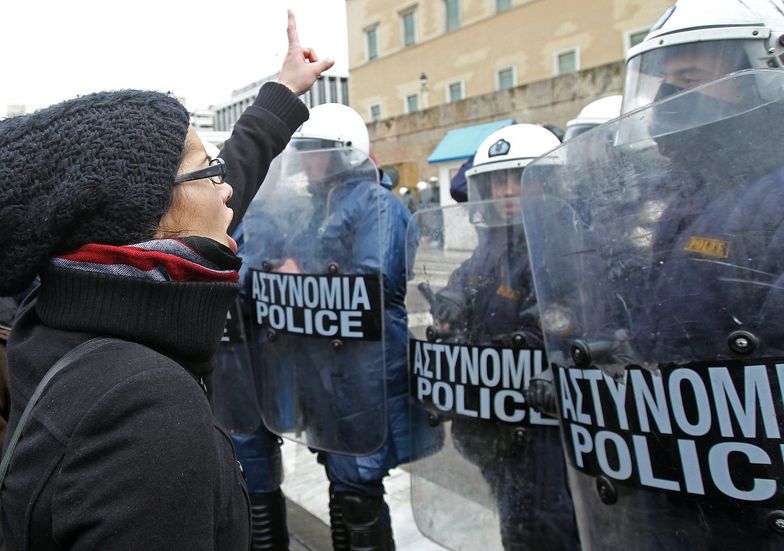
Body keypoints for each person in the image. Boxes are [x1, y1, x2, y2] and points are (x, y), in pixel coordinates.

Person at [0, 11, 333, 549]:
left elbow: (215, 188)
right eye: (209, 169)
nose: (227, 188)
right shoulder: (144, 412)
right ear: (140, 217)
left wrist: (282, 94)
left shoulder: (57, 312)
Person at [519, 1, 784, 549]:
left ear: (758, 77)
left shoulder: (771, 197)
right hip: (679, 481)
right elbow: (664, 327)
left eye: (688, 79)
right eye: (663, 82)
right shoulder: (690, 198)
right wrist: (598, 381)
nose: (668, 100)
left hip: (747, 505)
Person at [241, 103, 413, 551]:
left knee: (359, 489)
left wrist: (307, 275)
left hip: (362, 372)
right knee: (340, 483)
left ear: (342, 154)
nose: (307, 162)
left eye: (316, 152)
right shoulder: (311, 208)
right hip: (322, 368)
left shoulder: (377, 204)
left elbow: (376, 283)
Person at [412, 124, 578, 550]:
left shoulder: (564, 243)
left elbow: (555, 326)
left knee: (550, 528)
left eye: (518, 178)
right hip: (496, 420)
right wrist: (450, 305)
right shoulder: (493, 244)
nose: (506, 191)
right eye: (497, 180)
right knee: (516, 522)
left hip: (543, 426)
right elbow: (463, 284)